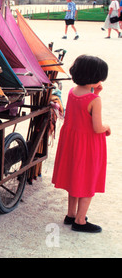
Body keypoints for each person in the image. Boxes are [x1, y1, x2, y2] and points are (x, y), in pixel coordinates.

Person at [52, 55, 110, 233]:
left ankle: (70, 214)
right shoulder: (95, 100)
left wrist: (95, 91)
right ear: (95, 77)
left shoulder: (72, 92)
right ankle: (80, 220)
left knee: (75, 179)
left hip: (73, 143)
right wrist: (107, 127)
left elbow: (80, 113)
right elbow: (97, 127)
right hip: (88, 145)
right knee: (87, 182)